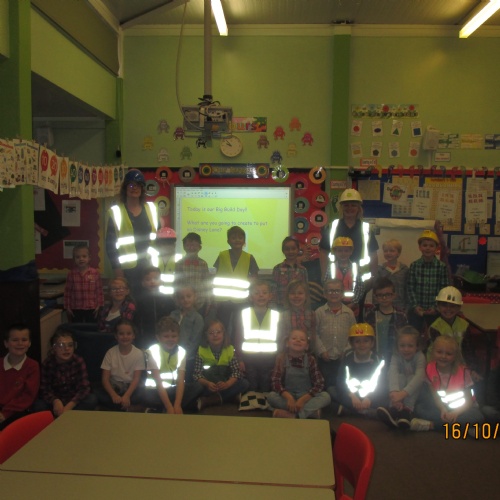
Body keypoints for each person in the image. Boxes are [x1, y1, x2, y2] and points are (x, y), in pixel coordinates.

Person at [412, 335, 484, 435]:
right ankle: (464, 429)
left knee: (478, 416)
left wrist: (456, 413)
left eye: (448, 354)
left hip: (462, 409)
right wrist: (443, 409)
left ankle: (432, 425)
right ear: (433, 352)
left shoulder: (463, 372)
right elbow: (435, 396)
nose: (443, 356)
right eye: (439, 352)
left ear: (455, 356)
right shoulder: (429, 368)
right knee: (419, 409)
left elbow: (469, 401)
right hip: (441, 408)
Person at [105, 169, 158, 297]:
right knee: (130, 303)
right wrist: (117, 270)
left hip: (149, 268)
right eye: (131, 185)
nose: (135, 188)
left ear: (142, 189)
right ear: (125, 188)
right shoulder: (116, 212)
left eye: (138, 185)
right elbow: (110, 245)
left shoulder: (152, 209)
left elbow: (158, 239)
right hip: (127, 271)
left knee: (148, 303)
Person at [144, 316, 203, 413]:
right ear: (158, 337)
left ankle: (166, 407)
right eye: (166, 336)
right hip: (156, 391)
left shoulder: (181, 352)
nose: (170, 339)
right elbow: (158, 383)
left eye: (174, 336)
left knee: (198, 387)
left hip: (173, 390)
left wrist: (177, 404)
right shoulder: (152, 351)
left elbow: (180, 380)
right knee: (145, 396)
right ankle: (167, 406)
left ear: (178, 337)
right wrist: (169, 406)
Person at [319, 188, 379, 284]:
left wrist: (374, 277)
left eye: (353, 205)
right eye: (346, 205)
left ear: (358, 208)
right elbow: (323, 252)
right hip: (335, 280)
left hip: (362, 281)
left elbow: (373, 255)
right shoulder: (332, 227)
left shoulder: (366, 229)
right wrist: (324, 275)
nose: (349, 208)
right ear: (341, 207)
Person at [267, 329, 330, 418]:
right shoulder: (281, 358)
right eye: (294, 338)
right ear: (287, 343)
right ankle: (308, 413)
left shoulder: (311, 359)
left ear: (307, 346)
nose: (298, 340)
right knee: (271, 396)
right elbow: (275, 381)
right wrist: (288, 397)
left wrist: (303, 400)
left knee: (326, 397)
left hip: (306, 396)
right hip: (288, 396)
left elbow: (319, 383)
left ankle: (293, 415)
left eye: (302, 339)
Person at [35, 328, 96, 415]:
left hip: (73, 399)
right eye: (61, 345)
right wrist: (55, 401)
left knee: (91, 399)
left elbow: (84, 387)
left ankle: (68, 415)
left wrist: (70, 405)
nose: (67, 349)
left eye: (70, 345)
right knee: (39, 405)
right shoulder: (48, 363)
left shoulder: (78, 361)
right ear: (54, 348)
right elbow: (44, 389)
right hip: (56, 399)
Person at [233, 280, 280, 393]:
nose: (261, 295)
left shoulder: (276, 315)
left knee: (265, 387)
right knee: (251, 387)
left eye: (264, 292)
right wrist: (239, 359)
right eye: (257, 293)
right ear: (251, 297)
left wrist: (279, 358)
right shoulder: (244, 313)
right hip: (249, 359)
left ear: (270, 296)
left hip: (269, 359)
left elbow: (280, 338)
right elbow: (238, 337)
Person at [193, 320, 249, 410]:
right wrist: (207, 384)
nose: (215, 335)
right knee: (197, 388)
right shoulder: (201, 350)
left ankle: (212, 400)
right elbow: (197, 374)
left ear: (224, 334)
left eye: (218, 332)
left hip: (225, 384)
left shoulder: (230, 349)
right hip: (209, 386)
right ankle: (230, 397)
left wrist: (227, 384)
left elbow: (236, 372)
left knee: (244, 383)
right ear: (206, 335)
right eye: (211, 333)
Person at [376, 326, 426, 428]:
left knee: (412, 378)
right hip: (399, 393)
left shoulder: (420, 356)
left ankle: (407, 411)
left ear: (417, 346)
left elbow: (420, 377)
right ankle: (394, 408)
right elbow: (392, 372)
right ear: (397, 346)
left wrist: (403, 393)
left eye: (410, 346)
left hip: (415, 392)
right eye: (402, 346)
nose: (406, 349)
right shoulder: (396, 355)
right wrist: (394, 392)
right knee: (399, 376)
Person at [332, 323, 386, 417]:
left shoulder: (377, 359)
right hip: (353, 396)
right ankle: (367, 412)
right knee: (331, 390)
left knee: (385, 395)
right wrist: (352, 396)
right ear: (352, 344)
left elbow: (382, 383)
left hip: (370, 396)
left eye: (366, 341)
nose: (362, 345)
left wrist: (369, 398)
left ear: (372, 343)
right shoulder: (347, 358)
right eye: (357, 341)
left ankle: (351, 411)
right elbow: (340, 380)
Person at [213, 226, 259, 334]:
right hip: (223, 300)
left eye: (240, 238)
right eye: (233, 238)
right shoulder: (222, 255)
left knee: (239, 327)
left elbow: (254, 276)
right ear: (228, 241)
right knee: (222, 326)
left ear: (244, 241)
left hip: (242, 300)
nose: (237, 240)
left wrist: (252, 292)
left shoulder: (249, 257)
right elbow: (216, 274)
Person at [97, 319, 146, 411]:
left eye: (128, 333)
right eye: (121, 334)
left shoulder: (138, 353)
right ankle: (125, 407)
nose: (125, 337)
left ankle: (120, 406)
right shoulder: (110, 353)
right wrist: (113, 395)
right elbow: (105, 379)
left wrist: (127, 396)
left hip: (131, 387)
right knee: (99, 395)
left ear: (133, 335)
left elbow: (136, 379)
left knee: (143, 395)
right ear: (116, 336)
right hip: (114, 386)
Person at [315, 279, 356, 389]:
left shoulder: (349, 313)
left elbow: (353, 335)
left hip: (343, 358)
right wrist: (321, 350)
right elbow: (314, 333)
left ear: (342, 294)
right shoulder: (319, 312)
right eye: (330, 291)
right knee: (325, 384)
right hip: (324, 357)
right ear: (324, 294)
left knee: (342, 384)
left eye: (337, 291)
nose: (334, 294)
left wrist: (346, 351)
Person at [407, 230, 451, 334]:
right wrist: (415, 306)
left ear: (436, 248)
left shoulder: (441, 267)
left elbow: (444, 290)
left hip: (435, 311)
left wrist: (436, 307)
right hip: (416, 310)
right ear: (420, 247)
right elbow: (410, 288)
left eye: (431, 246)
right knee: (414, 335)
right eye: (425, 245)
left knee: (435, 335)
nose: (428, 248)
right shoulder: (414, 265)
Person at [0, 323, 40, 430]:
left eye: (24, 340)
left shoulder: (32, 366)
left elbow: (28, 396)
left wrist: (5, 414)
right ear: (6, 343)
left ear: (29, 343)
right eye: (15, 340)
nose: (20, 343)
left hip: (18, 411)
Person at [427, 286, 476, 370]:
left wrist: (471, 368)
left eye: (452, 306)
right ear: (438, 306)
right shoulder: (435, 327)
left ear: (459, 307)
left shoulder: (464, 325)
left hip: (459, 364)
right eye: (444, 305)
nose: (448, 309)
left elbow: (468, 349)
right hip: (438, 364)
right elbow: (439, 353)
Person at [364, 277, 408, 363]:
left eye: (387, 295)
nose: (384, 298)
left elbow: (404, 337)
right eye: (380, 295)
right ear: (375, 297)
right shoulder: (370, 314)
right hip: (374, 357)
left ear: (394, 295)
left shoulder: (401, 315)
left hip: (395, 357)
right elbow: (366, 337)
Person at [169, 283, 204, 381]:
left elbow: (195, 341)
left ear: (195, 297)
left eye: (188, 296)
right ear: (178, 300)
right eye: (182, 297)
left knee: (185, 381)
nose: (185, 299)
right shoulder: (173, 314)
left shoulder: (197, 318)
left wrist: (183, 357)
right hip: (171, 354)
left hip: (188, 358)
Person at [175, 232, 213, 319]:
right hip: (183, 303)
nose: (191, 248)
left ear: (199, 247)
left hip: (200, 303)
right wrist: (177, 301)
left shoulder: (203, 264)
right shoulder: (179, 264)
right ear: (184, 247)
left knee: (199, 324)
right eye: (188, 245)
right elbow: (176, 284)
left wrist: (209, 302)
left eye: (194, 245)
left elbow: (208, 284)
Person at [64, 243, 104, 323]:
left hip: (92, 308)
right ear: (74, 259)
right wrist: (67, 306)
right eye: (78, 257)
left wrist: (99, 305)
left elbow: (99, 291)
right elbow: (68, 292)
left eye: (84, 256)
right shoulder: (71, 274)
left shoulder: (95, 273)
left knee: (91, 327)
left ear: (89, 258)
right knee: (77, 327)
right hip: (76, 308)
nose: (81, 259)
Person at [134, 266, 172, 348]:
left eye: (156, 278)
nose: (152, 281)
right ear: (143, 283)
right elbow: (137, 321)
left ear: (161, 281)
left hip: (164, 336)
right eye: (148, 279)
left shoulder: (167, 299)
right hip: (146, 337)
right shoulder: (139, 300)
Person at [328, 236, 365, 317]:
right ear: (335, 251)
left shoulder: (356, 268)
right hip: (334, 304)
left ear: (351, 252)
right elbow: (326, 286)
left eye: (346, 251)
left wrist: (353, 303)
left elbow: (360, 287)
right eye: (340, 250)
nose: (343, 253)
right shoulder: (331, 268)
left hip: (352, 306)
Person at [278, 279, 316, 351]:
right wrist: (280, 353)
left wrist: (313, 352)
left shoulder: (311, 315)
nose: (296, 296)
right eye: (292, 293)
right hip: (287, 353)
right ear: (288, 296)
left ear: (306, 296)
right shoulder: (283, 316)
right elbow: (280, 337)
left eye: (300, 293)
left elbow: (313, 337)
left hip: (306, 353)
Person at [271, 236, 308, 310]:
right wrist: (273, 307)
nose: (290, 252)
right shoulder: (277, 269)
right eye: (287, 249)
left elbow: (305, 290)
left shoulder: (302, 270)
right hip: (281, 307)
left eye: (293, 249)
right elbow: (273, 289)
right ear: (283, 251)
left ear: (298, 250)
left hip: (298, 307)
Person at [149, 226, 178, 312]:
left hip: (174, 299)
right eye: (163, 243)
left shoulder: (179, 260)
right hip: (155, 298)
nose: (166, 246)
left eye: (169, 243)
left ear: (174, 245)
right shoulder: (152, 259)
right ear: (158, 245)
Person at [376, 238, 409, 312]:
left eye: (392, 251)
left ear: (398, 253)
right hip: (384, 305)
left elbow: (407, 289)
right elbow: (376, 288)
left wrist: (407, 306)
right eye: (386, 251)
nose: (388, 253)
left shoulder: (404, 269)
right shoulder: (380, 269)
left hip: (401, 305)